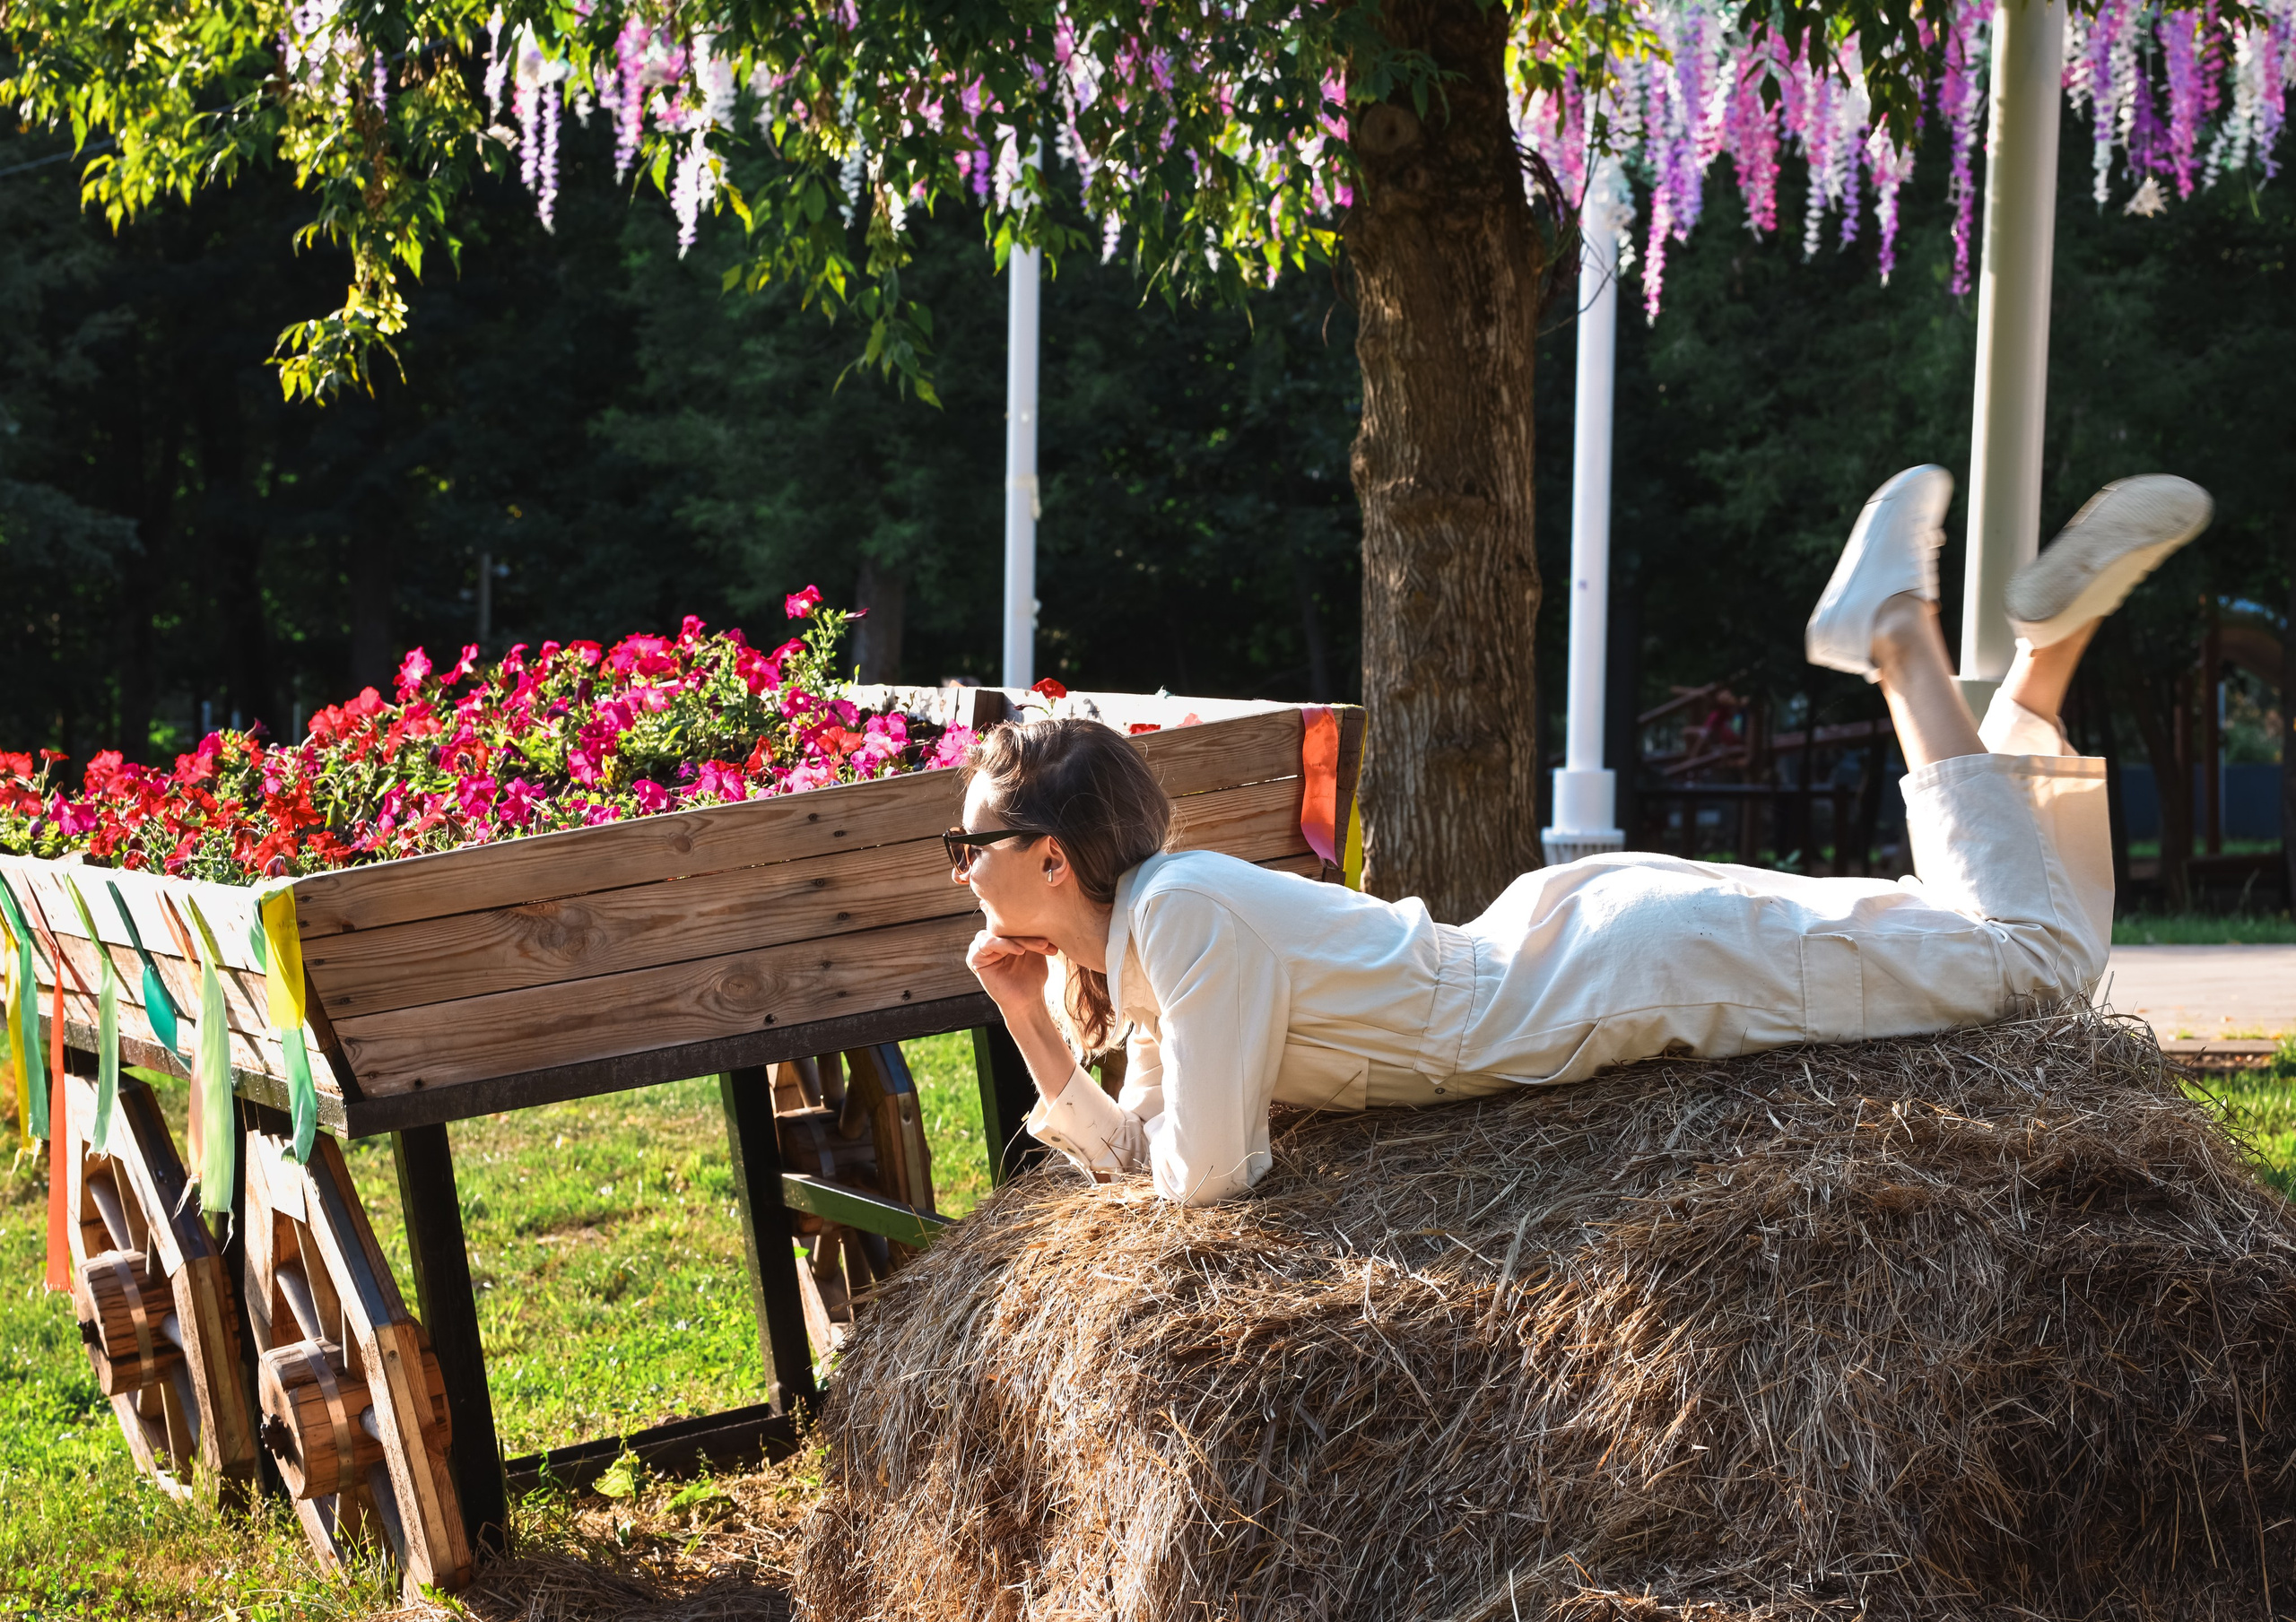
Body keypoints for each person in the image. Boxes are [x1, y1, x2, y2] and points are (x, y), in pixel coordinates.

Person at [955, 469, 2213, 1205]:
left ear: (1051, 856)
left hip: (1628, 971)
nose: (961, 869)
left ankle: (1901, 632)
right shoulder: (1161, 936)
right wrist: (1031, 1023)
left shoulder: (1181, 919)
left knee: (2032, 965)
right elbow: (1150, 1151)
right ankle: (2031, 677)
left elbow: (1207, 1174)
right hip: (1596, 952)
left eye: (970, 843)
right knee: (1974, 940)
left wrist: (1109, 1094)